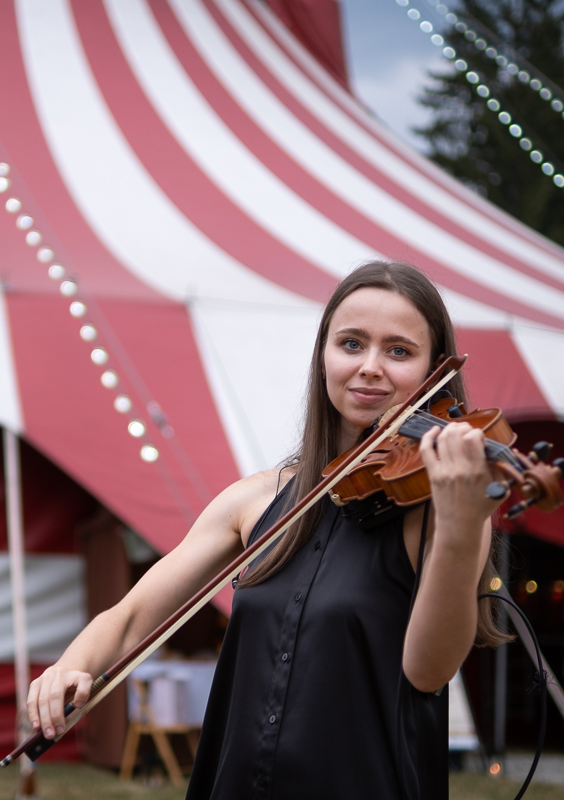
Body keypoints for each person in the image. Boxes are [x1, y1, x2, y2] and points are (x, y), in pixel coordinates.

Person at [28, 261, 509, 799]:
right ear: (323, 355)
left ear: (433, 370)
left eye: (399, 351)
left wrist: (465, 525)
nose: (370, 366)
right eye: (351, 344)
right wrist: (72, 666)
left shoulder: (444, 509)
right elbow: (132, 616)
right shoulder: (256, 500)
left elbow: (429, 672)